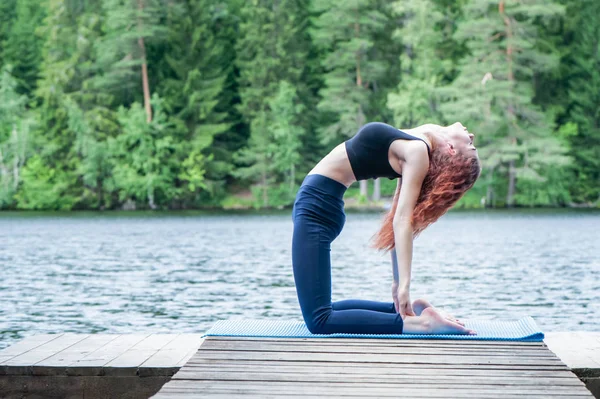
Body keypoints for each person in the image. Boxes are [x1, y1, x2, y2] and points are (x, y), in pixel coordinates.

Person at [291, 121, 481, 335]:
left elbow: (401, 221)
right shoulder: (426, 138)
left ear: (452, 150)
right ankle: (407, 312)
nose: (472, 135)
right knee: (324, 311)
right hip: (322, 204)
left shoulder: (417, 151)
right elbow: (396, 222)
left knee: (319, 320)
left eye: (471, 146)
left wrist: (403, 285)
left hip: (316, 208)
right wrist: (397, 283)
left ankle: (422, 325)